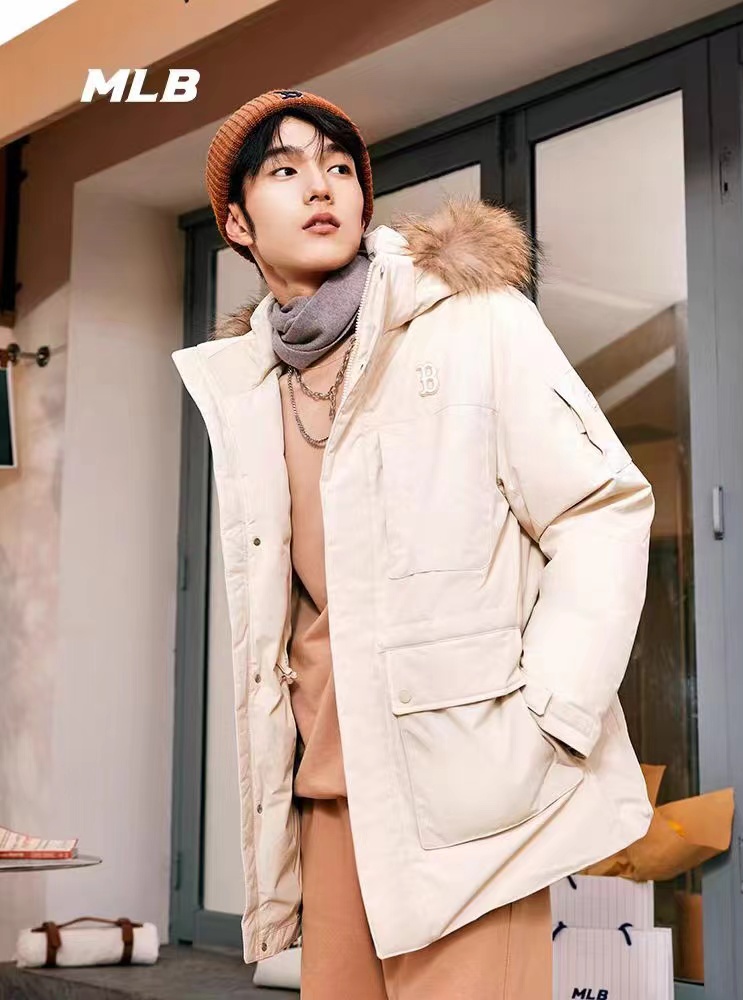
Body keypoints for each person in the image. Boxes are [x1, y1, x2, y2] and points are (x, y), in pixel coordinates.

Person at [172, 89, 656, 1000]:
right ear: (236, 222)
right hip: (329, 797)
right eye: (285, 170)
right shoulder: (248, 388)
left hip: (470, 795)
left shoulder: (473, 320)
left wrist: (554, 715)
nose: (321, 186)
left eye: (339, 167)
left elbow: (600, 509)